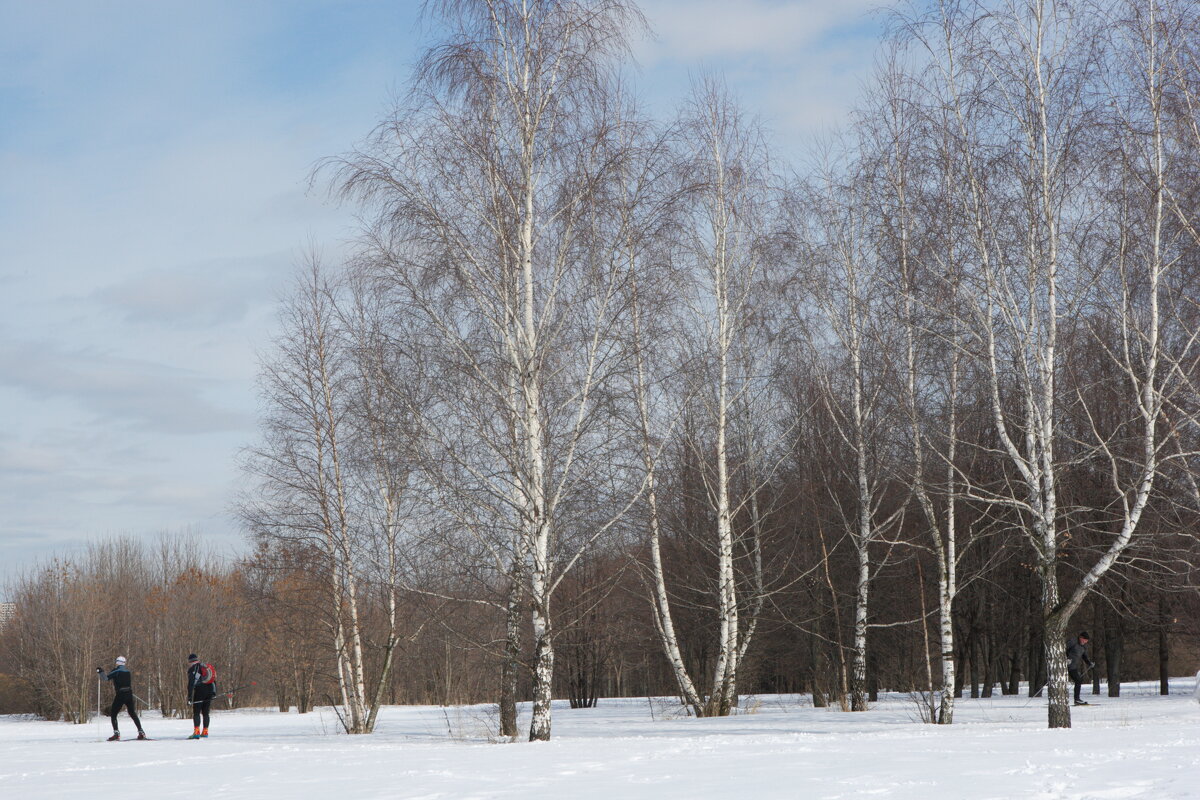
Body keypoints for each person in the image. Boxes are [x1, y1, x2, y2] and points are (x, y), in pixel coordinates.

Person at [97, 656, 147, 741]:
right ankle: (141, 732)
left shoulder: (116, 671)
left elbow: (105, 678)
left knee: (113, 714)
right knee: (132, 713)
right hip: (129, 694)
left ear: (118, 662)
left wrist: (100, 672)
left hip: (121, 694)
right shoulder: (128, 671)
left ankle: (116, 733)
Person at [186, 653, 217, 739]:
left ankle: (196, 732)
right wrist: (214, 693)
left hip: (200, 690)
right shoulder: (205, 667)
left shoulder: (193, 669)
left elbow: (191, 684)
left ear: (190, 661)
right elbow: (214, 680)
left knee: (196, 712)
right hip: (210, 690)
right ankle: (205, 732)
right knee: (206, 712)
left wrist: (189, 697)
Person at [1066, 631, 1094, 706]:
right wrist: (1065, 659)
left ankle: (1077, 699)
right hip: (1065, 665)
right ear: (1080, 637)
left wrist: (1089, 663)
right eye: (1084, 640)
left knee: (1078, 680)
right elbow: (1064, 649)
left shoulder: (1083, 646)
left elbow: (1084, 656)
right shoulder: (1073, 642)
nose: (1085, 642)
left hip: (1072, 666)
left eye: (1086, 641)